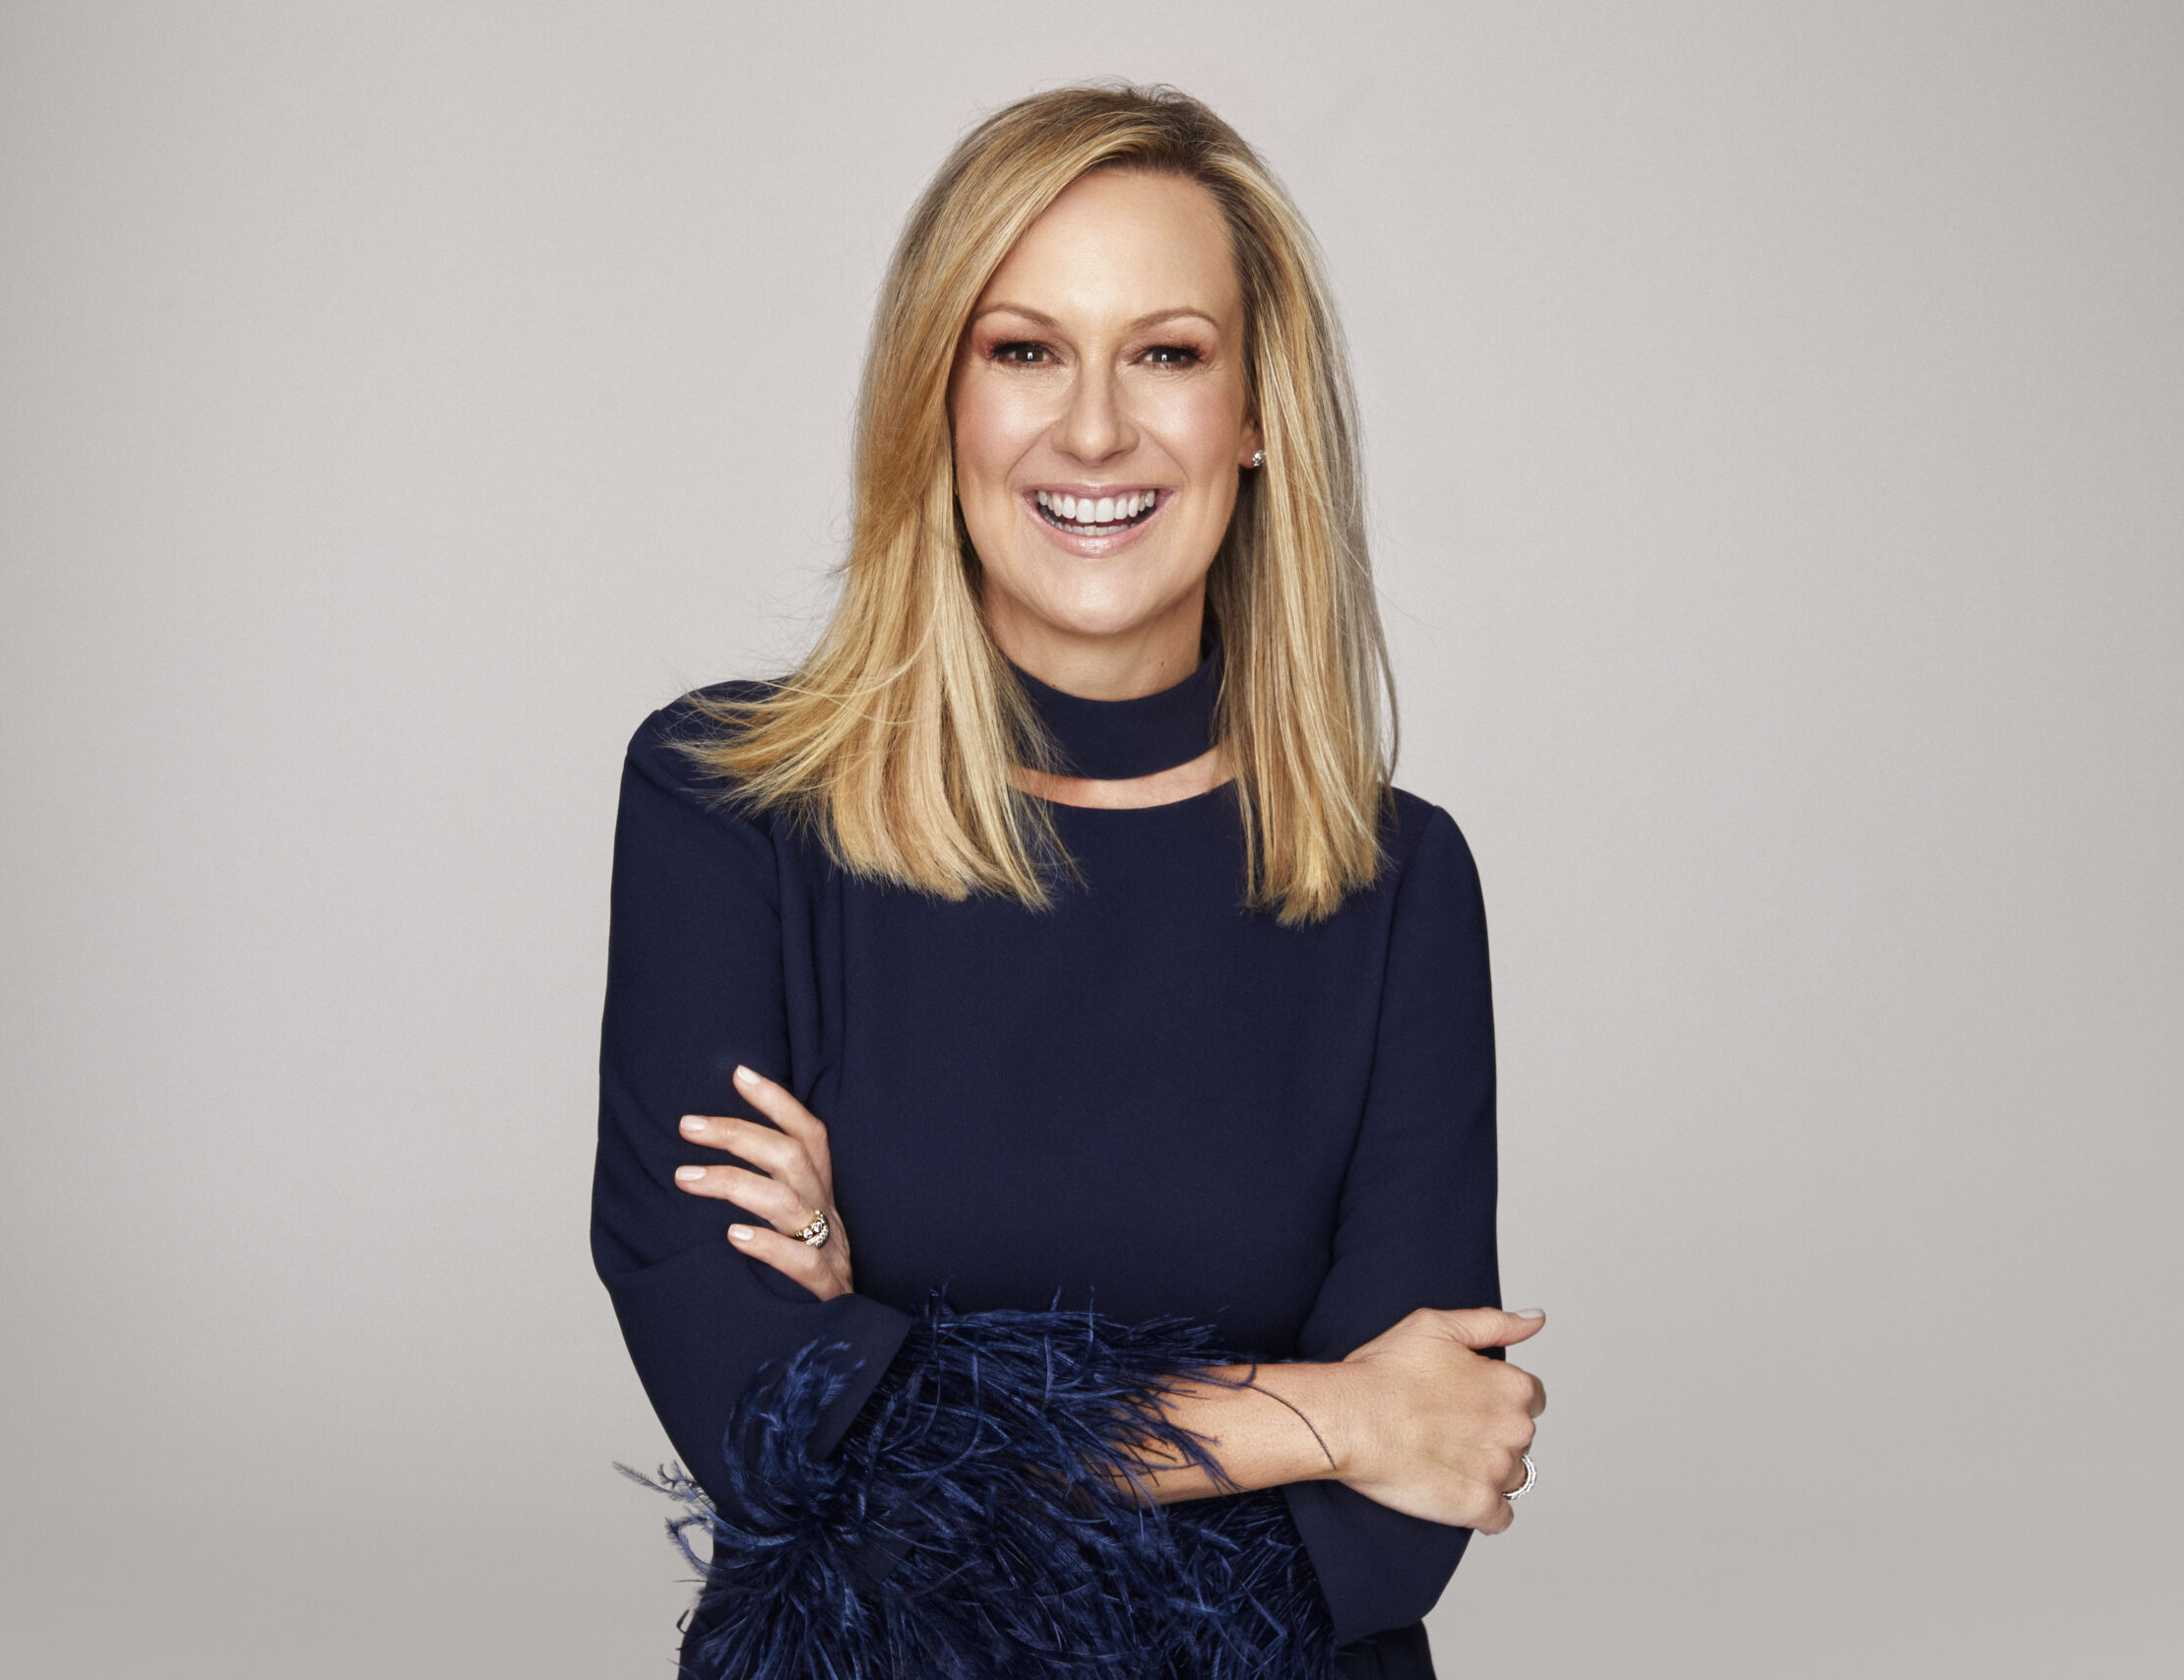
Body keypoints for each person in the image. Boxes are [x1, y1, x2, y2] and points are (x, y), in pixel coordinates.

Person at [593, 83, 1545, 1680]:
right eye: (1024, 350)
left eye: (1166, 354)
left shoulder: (1399, 886)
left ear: (1256, 413)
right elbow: (761, 1424)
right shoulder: (727, 809)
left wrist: (898, 1392)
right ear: (938, 399)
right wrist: (1327, 1414)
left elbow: (1397, 1530)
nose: (1093, 430)